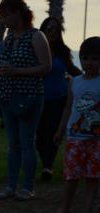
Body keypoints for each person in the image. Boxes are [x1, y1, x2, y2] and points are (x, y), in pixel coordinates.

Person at [0, 0, 51, 201]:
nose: (2, 20)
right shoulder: (9, 39)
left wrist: (17, 71)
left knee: (26, 143)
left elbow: (45, 67)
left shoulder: (36, 36)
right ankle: (11, 186)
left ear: (17, 13)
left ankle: (28, 187)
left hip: (28, 97)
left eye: (5, 15)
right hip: (7, 97)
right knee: (13, 144)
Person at [52, 37, 100, 213]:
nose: (90, 63)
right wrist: (60, 129)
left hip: (96, 140)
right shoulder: (75, 82)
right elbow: (68, 107)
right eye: (86, 58)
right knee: (72, 175)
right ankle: (65, 208)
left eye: (95, 59)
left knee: (93, 176)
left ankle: (88, 211)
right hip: (75, 137)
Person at [37, 17, 82, 181]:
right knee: (40, 133)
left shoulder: (63, 51)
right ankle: (45, 162)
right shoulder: (36, 49)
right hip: (39, 97)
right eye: (48, 29)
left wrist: (89, 78)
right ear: (43, 30)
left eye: (55, 29)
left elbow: (72, 69)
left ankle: (48, 166)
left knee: (54, 131)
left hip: (59, 97)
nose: (52, 32)